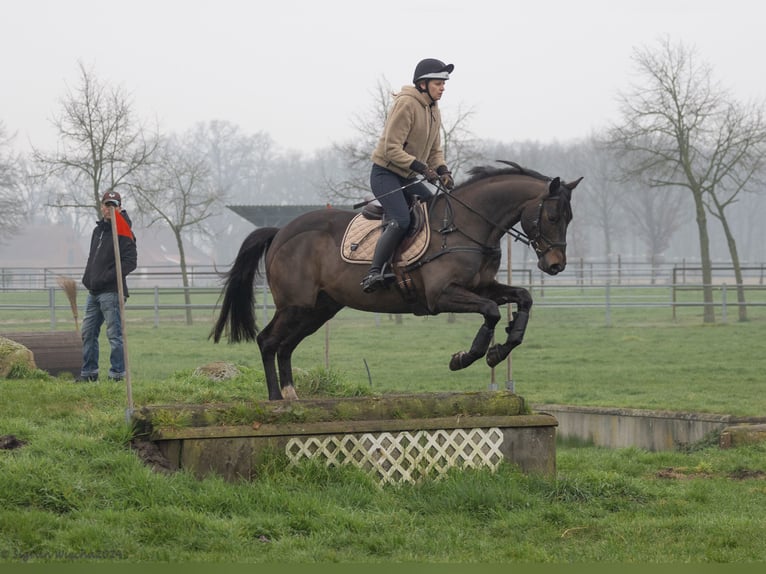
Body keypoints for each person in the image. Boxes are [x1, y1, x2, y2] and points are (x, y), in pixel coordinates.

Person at [360, 58, 456, 293]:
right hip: (385, 174)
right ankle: (374, 272)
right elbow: (391, 149)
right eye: (438, 83)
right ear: (423, 84)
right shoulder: (406, 104)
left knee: (434, 209)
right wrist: (422, 168)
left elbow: (435, 150)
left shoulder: (434, 109)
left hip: (407, 177)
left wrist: (443, 171)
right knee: (401, 220)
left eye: (444, 84)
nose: (442, 88)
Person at [76, 190, 137, 382]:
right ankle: (89, 373)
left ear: (119, 208)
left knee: (114, 335)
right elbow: (92, 258)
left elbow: (130, 262)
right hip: (93, 291)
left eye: (113, 205)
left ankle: (117, 375)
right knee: (88, 333)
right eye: (106, 205)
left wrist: (107, 277)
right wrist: (89, 278)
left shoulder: (123, 231)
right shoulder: (98, 231)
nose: (109, 209)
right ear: (102, 206)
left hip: (112, 291)